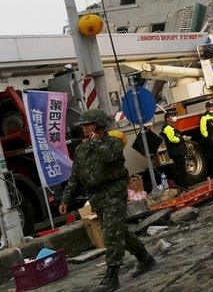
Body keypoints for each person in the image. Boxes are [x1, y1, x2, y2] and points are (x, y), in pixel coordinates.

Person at [61, 109, 156, 291]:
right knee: (118, 230)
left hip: (114, 191)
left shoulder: (113, 142)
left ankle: (112, 276)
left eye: (88, 125)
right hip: (96, 196)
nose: (84, 129)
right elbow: (75, 177)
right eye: (83, 126)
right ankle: (145, 258)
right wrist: (66, 199)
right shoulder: (82, 149)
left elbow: (111, 158)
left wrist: (96, 142)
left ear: (98, 125)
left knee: (112, 233)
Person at [161, 112, 191, 188]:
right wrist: (182, 139)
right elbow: (172, 139)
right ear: (167, 119)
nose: (174, 117)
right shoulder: (167, 128)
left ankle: (184, 184)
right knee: (180, 170)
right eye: (172, 116)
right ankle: (183, 186)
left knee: (182, 169)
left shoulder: (171, 127)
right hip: (176, 152)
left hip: (178, 151)